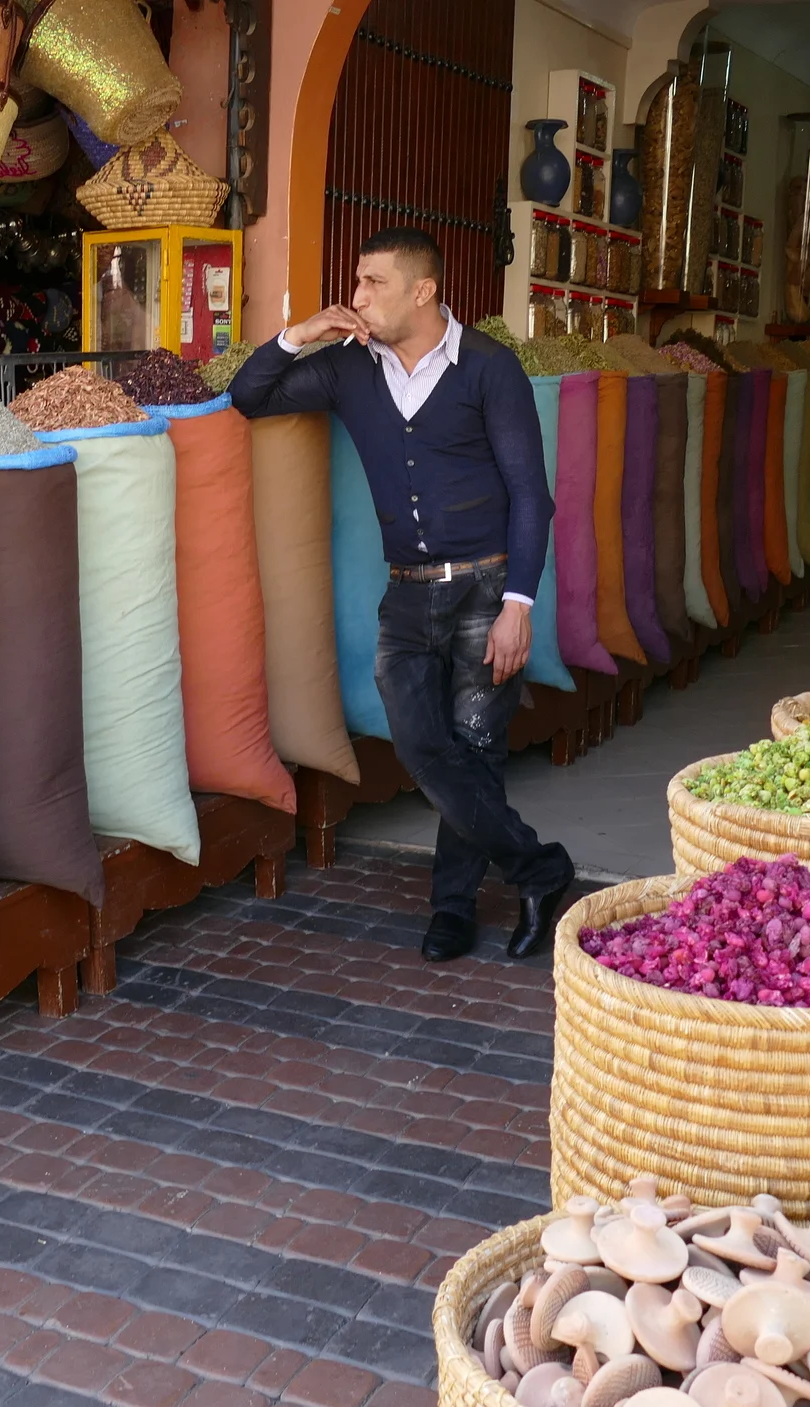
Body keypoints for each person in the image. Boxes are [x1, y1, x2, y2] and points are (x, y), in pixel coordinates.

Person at [229, 227, 574, 963]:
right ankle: (540, 868)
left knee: (473, 753)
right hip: (407, 595)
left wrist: (520, 603)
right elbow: (248, 395)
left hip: (486, 587)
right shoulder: (350, 369)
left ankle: (451, 909)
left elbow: (529, 496)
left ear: (424, 290)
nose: (356, 298)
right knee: (425, 750)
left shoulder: (488, 367)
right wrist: (302, 332)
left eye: (372, 283)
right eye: (356, 283)